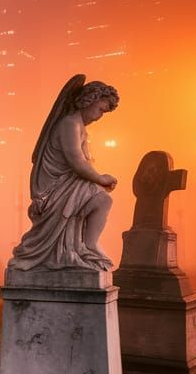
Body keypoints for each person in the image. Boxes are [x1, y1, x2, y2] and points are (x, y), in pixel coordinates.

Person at [9, 78, 120, 272]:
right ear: (89, 100)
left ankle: (84, 246)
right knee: (102, 200)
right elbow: (76, 162)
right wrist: (100, 178)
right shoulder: (69, 123)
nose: (100, 116)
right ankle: (88, 245)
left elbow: (83, 164)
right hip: (55, 190)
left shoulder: (80, 128)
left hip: (69, 185)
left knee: (102, 200)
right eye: (100, 109)